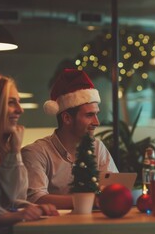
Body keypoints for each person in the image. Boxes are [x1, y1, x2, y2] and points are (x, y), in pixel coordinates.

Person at [22, 69, 118, 209]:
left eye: (96, 114)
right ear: (67, 118)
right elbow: (36, 198)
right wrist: (91, 201)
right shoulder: (36, 153)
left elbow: (113, 188)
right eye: (89, 115)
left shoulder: (98, 147)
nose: (97, 122)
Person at [0, 73, 58, 233]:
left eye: (19, 103)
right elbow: (0, 212)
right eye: (11, 102)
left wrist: (33, 207)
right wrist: (6, 217)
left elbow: (14, 197)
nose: (20, 110)